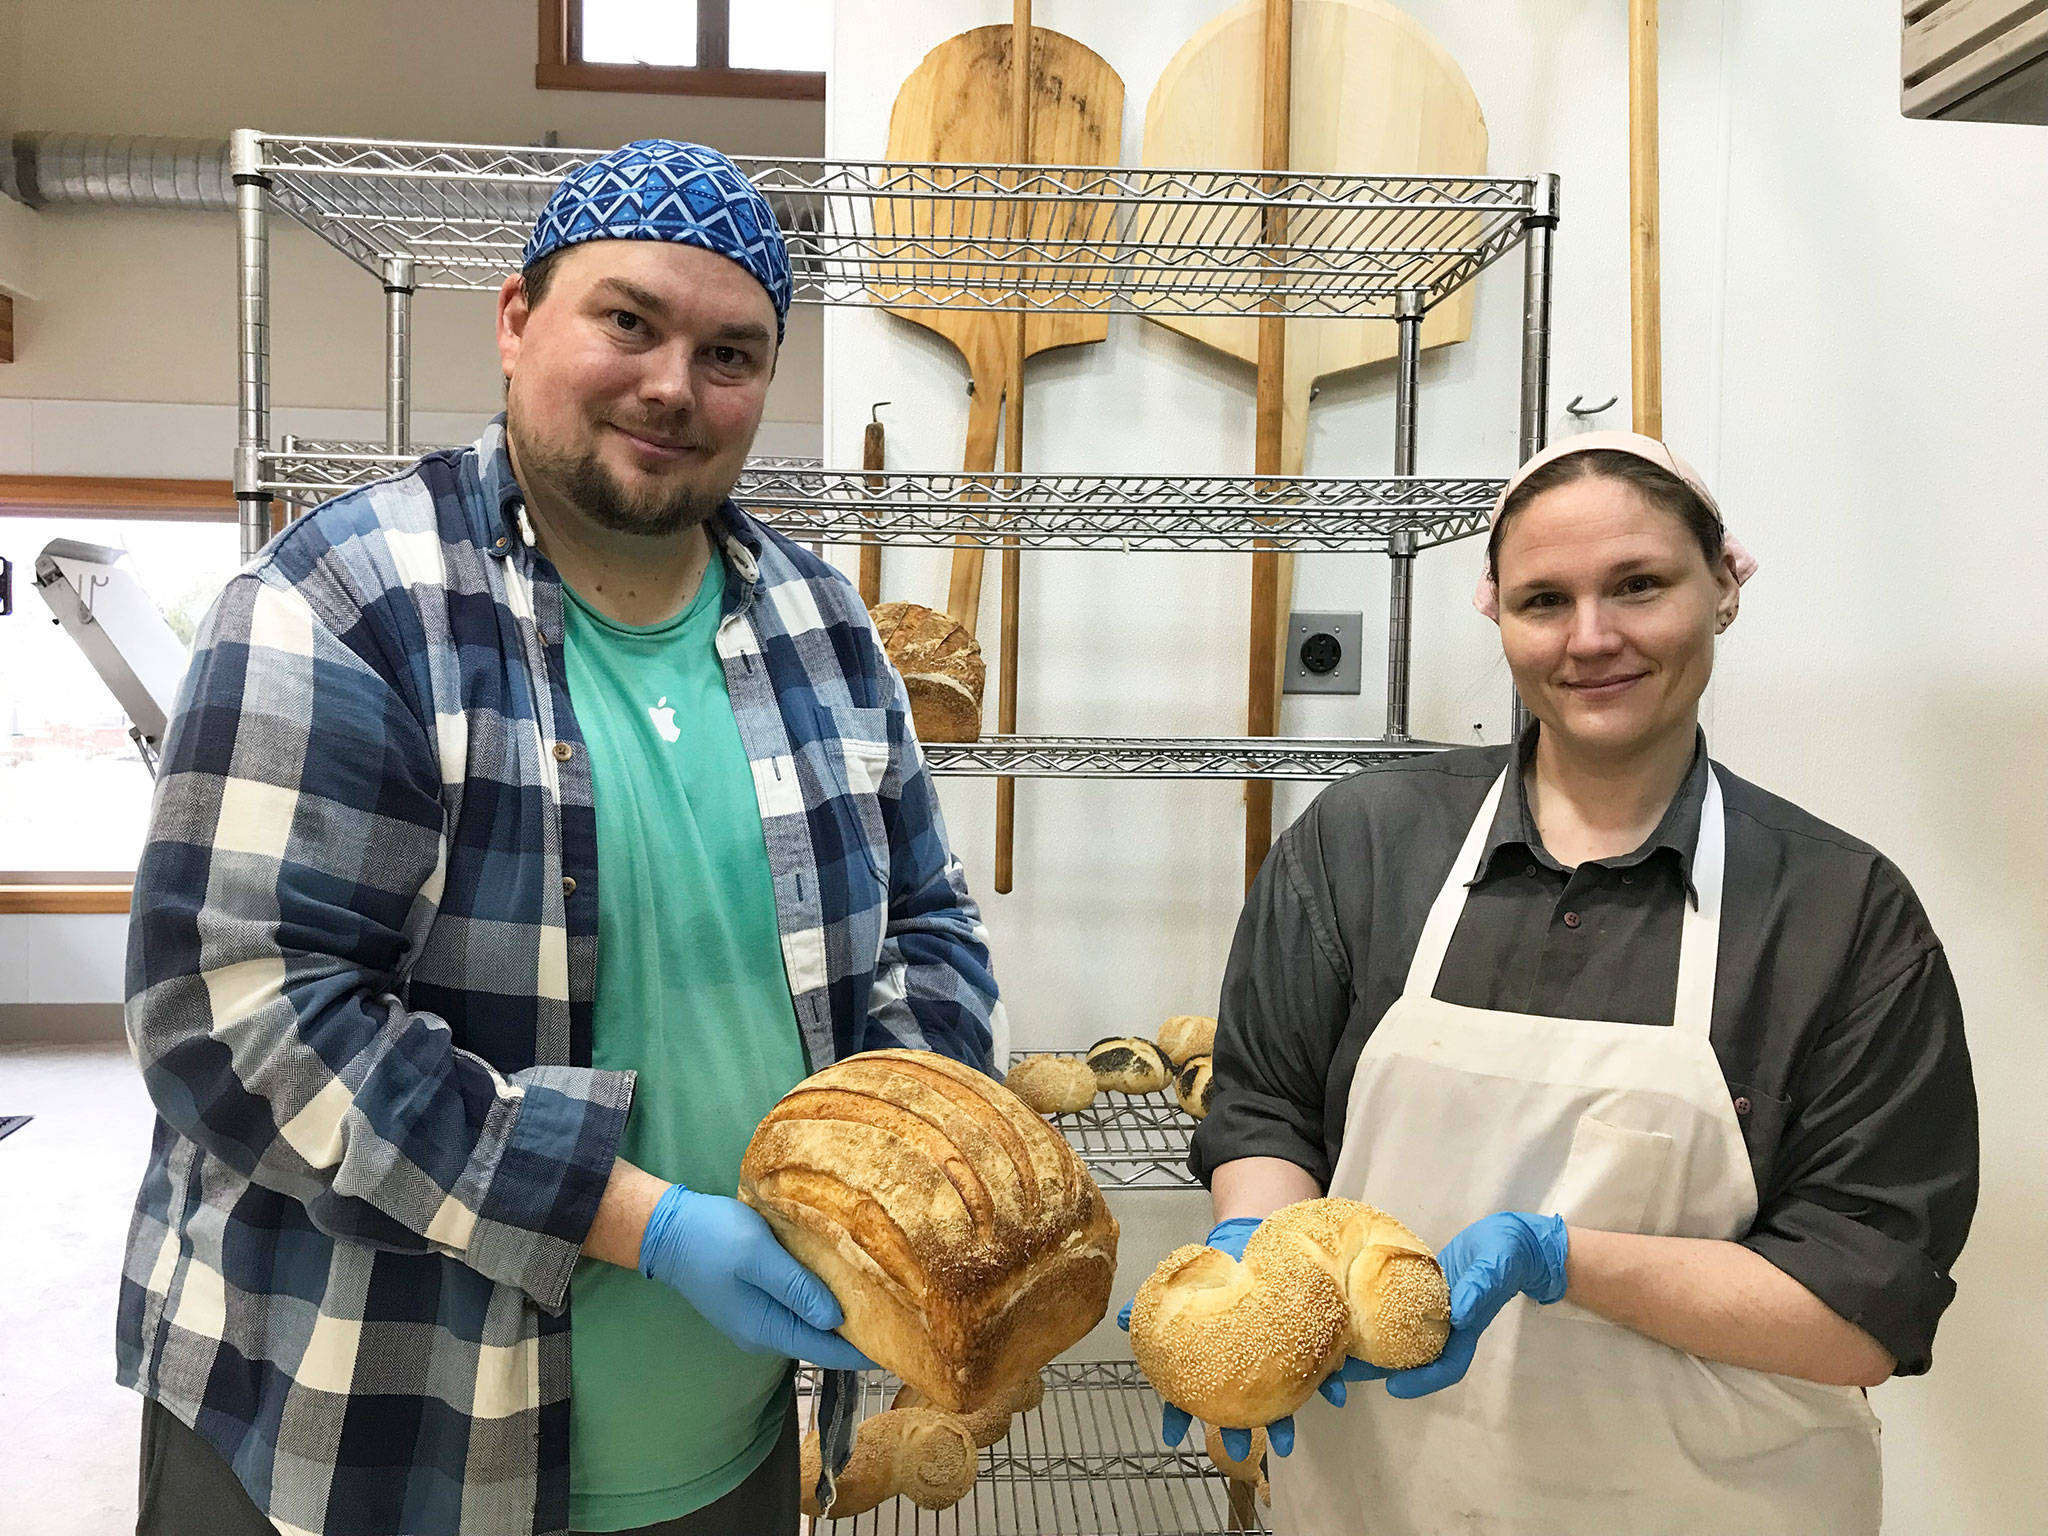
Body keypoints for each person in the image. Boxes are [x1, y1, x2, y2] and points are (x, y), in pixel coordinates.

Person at [118, 140, 1001, 1536]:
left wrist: (911, 1162)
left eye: (731, 353)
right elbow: (237, 1019)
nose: (674, 386)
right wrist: (640, 1220)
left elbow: (932, 926)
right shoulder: (346, 602)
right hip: (373, 1437)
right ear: (519, 319)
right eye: (627, 321)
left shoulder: (824, 632)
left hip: (726, 1441)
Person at [1156, 432, 1977, 1535]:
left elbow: (1859, 1306)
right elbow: (1267, 1110)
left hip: (1717, 1505)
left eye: (1637, 585)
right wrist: (1258, 1275)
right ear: (1494, 611)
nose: (1592, 638)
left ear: (1723, 587)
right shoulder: (1360, 845)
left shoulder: (1837, 914)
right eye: (1546, 599)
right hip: (1381, 1497)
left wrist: (1556, 1259)